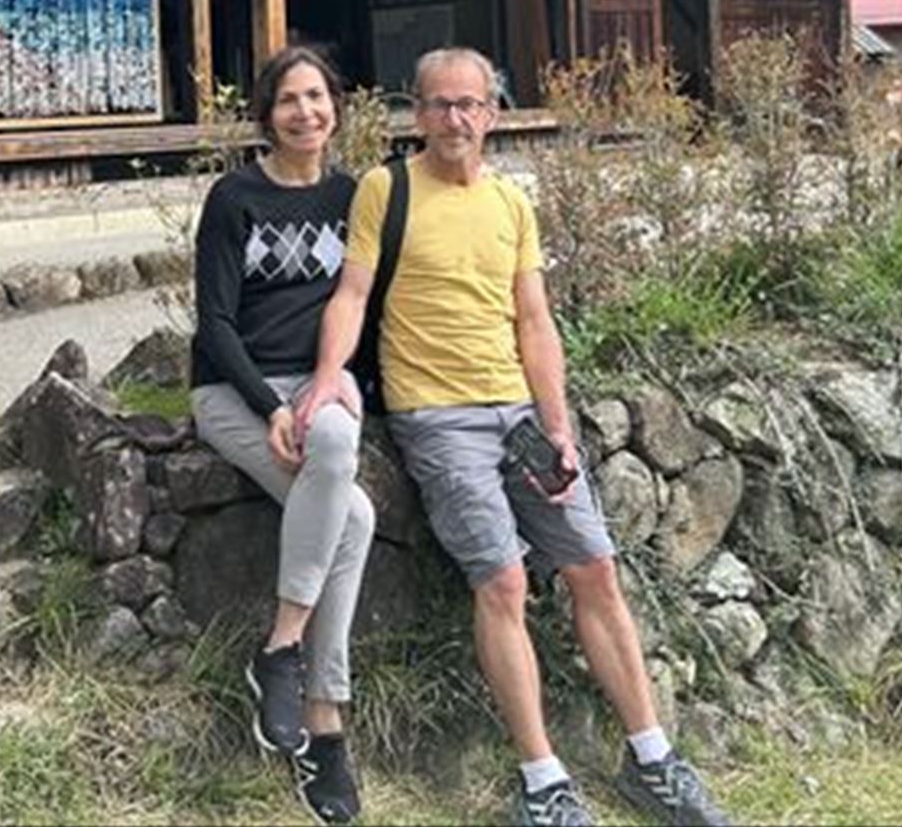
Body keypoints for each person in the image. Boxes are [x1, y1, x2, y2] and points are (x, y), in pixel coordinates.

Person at [295, 47, 728, 827]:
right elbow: (352, 294)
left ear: (493, 112)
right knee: (503, 581)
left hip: (521, 417)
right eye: (437, 105)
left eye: (468, 105)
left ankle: (653, 757)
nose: (454, 120)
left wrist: (557, 427)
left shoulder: (511, 205)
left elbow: (535, 321)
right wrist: (328, 376)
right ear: (414, 113)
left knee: (594, 566)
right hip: (436, 416)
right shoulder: (385, 190)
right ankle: (542, 781)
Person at [191, 44, 375, 826]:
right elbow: (216, 322)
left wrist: (331, 386)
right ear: (266, 116)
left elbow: (366, 301)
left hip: (324, 379)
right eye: (289, 100)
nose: (307, 113)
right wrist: (269, 403)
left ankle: (284, 654)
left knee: (334, 445)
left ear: (338, 105)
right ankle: (324, 720)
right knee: (355, 515)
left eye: (319, 97)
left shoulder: (355, 196)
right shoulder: (234, 198)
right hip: (234, 389)